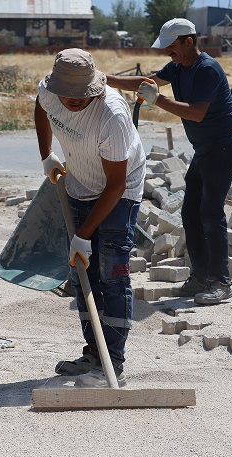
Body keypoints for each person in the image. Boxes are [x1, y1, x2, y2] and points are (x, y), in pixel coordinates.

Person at [106, 18, 232, 305]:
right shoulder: (178, 67)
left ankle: (221, 283)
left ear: (189, 42)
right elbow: (147, 82)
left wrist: (158, 100)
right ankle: (201, 277)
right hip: (206, 151)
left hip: (225, 149)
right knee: (190, 213)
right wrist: (107, 80)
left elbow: (196, 113)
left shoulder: (207, 69)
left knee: (210, 212)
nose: (169, 53)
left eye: (172, 48)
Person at [35, 48, 146, 388]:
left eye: (79, 96)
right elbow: (41, 110)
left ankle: (113, 364)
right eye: (66, 95)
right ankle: (94, 355)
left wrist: (83, 234)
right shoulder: (49, 92)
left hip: (120, 191)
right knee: (84, 273)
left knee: (111, 273)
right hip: (79, 183)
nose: (71, 101)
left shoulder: (112, 114)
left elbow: (115, 184)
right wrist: (47, 155)